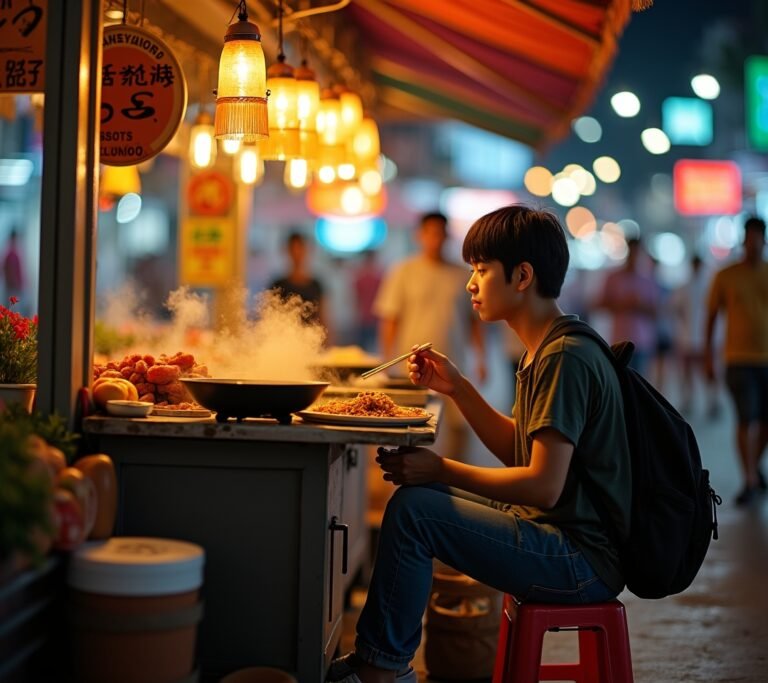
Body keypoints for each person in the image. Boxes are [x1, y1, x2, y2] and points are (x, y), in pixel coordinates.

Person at [327, 205, 631, 682]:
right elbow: (521, 452)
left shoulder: (564, 357)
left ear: (523, 275)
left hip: (579, 559)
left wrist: (441, 469)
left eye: (482, 270)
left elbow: (543, 486)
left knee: (414, 512)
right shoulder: (546, 347)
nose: (471, 283)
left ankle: (381, 668)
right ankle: (379, 660)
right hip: (559, 536)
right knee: (415, 503)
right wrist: (458, 388)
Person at [373, 212, 486, 461]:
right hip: (412, 365)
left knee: (459, 423)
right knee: (411, 421)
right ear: (420, 235)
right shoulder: (403, 271)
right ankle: (407, 470)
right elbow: (390, 318)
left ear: (447, 236)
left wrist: (481, 358)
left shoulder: (461, 276)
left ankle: (455, 477)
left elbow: (474, 322)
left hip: (454, 361)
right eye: (430, 233)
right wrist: (386, 360)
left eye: (440, 233)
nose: (435, 239)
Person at [705, 216, 768, 506]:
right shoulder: (726, 275)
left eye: (759, 238)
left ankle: (754, 468)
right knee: (746, 418)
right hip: (739, 359)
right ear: (744, 240)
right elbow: (712, 316)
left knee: (764, 421)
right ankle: (750, 479)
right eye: (750, 238)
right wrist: (708, 355)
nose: (754, 244)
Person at [596, 238, 659, 377]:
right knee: (619, 382)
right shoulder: (614, 277)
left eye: (637, 252)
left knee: (640, 383)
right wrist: (622, 304)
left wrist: (640, 305)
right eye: (632, 251)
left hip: (642, 341)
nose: (634, 255)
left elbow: (656, 312)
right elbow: (599, 303)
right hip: (619, 339)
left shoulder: (647, 280)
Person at [670, 254, 719, 417]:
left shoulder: (708, 286)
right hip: (688, 337)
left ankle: (711, 401)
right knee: (687, 373)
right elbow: (675, 308)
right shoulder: (686, 286)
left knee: (707, 372)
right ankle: (689, 400)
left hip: (704, 338)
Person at [269, 231, 331, 336]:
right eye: (293, 249)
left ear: (306, 251)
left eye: (300, 248)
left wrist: (327, 343)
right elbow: (270, 319)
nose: (297, 253)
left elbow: (324, 320)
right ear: (287, 251)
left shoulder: (316, 285)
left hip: (312, 343)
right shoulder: (278, 285)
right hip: (284, 342)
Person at [352, 250, 383, 353]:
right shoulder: (377, 278)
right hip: (370, 317)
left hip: (368, 317)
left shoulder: (360, 278)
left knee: (365, 348)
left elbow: (356, 299)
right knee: (371, 348)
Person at [2, 229, 24, 305]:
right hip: (13, 287)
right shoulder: (11, 253)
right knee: (12, 308)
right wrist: (16, 284)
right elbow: (10, 271)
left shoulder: (11, 252)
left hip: (12, 287)